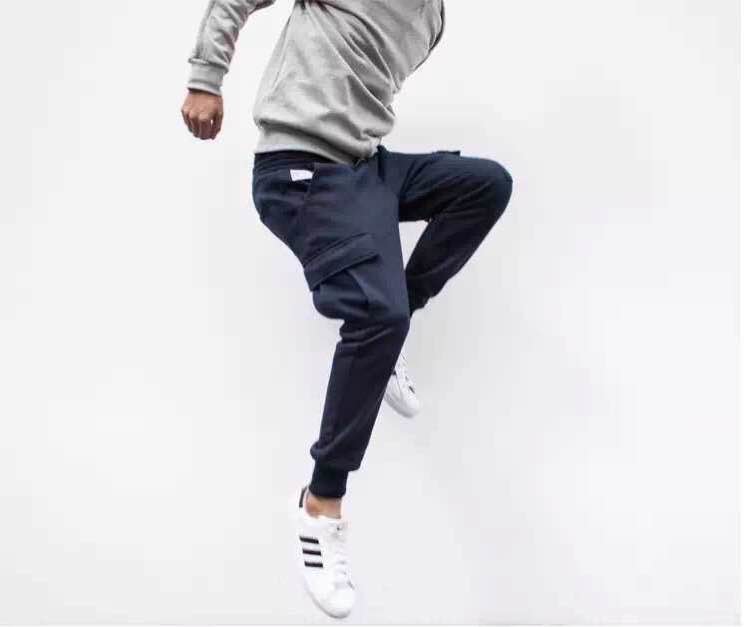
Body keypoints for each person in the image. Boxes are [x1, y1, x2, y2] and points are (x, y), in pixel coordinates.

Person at [181, 0, 513, 618]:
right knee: (378, 316)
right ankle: (320, 503)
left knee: (485, 185)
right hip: (299, 167)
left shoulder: (433, 20)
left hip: (365, 169)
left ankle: (387, 345)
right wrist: (206, 77)